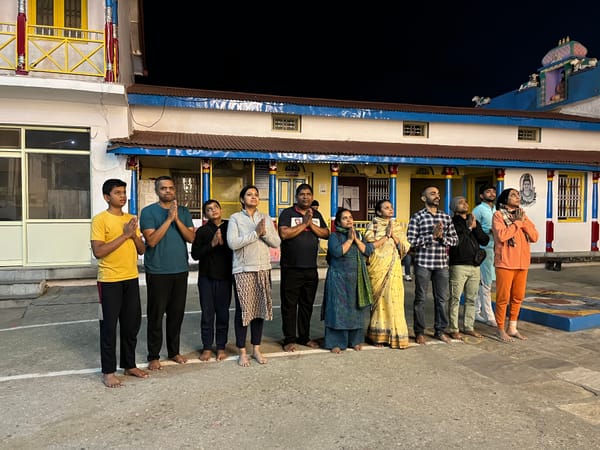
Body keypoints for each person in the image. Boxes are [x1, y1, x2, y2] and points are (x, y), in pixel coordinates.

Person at [91, 179, 148, 388]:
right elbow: (99, 252)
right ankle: (108, 371)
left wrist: (133, 235)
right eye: (117, 192)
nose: (122, 196)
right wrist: (125, 235)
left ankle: (129, 364)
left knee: (131, 325)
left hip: (130, 278)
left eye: (124, 192)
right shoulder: (100, 220)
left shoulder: (131, 219)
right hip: (108, 281)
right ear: (107, 197)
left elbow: (142, 250)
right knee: (108, 327)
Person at [140, 175, 195, 370]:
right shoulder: (148, 212)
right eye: (163, 188)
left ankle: (174, 351)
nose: (168, 191)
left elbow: (191, 237)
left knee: (176, 314)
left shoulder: (183, 211)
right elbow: (152, 241)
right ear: (157, 191)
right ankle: (153, 355)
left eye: (171, 188)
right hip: (158, 271)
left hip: (180, 270)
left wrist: (177, 219)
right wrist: (168, 219)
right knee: (156, 315)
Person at [227, 185, 281, 366]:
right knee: (244, 312)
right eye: (249, 194)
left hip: (263, 269)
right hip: (243, 270)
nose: (253, 197)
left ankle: (256, 349)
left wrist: (264, 234)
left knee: (259, 311)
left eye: (256, 195)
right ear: (242, 199)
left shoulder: (265, 217)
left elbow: (276, 242)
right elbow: (233, 243)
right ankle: (242, 351)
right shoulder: (235, 218)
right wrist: (255, 233)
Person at [278, 183, 330, 352]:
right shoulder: (287, 213)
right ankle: (289, 339)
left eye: (308, 194)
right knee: (290, 305)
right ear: (296, 196)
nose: (306, 197)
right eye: (302, 194)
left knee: (307, 305)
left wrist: (311, 224)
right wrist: (304, 224)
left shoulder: (316, 214)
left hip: (310, 268)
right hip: (291, 268)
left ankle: (304, 337)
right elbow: (284, 234)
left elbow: (326, 233)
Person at [407, 185, 458, 344]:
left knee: (441, 299)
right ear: (424, 198)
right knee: (420, 299)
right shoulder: (418, 217)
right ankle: (419, 331)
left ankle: (440, 330)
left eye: (438, 193)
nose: (437, 196)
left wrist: (442, 238)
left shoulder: (446, 217)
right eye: (432, 193)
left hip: (441, 264)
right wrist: (432, 236)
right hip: (423, 263)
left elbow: (455, 240)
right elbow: (411, 241)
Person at [321, 208, 374, 353]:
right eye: (345, 218)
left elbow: (368, 250)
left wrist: (356, 239)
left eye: (350, 217)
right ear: (338, 222)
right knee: (338, 310)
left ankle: (354, 340)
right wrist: (350, 240)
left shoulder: (359, 235)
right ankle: (335, 343)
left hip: (356, 278)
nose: (349, 220)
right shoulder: (334, 236)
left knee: (355, 310)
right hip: (338, 278)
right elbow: (337, 252)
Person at [492, 188, 539, 342]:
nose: (517, 197)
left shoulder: (523, 216)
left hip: (522, 263)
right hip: (505, 263)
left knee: (518, 297)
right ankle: (500, 328)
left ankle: (512, 327)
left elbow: (534, 237)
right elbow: (502, 236)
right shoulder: (498, 215)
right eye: (513, 195)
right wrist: (517, 223)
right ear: (505, 199)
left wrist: (523, 223)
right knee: (503, 298)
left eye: (518, 195)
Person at [364, 199, 411, 349]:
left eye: (391, 207)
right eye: (386, 208)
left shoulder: (396, 226)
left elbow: (405, 247)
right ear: (378, 212)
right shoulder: (374, 226)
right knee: (380, 301)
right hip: (378, 268)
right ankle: (378, 336)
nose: (390, 210)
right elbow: (368, 245)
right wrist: (385, 236)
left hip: (394, 268)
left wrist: (393, 236)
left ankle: (396, 335)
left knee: (395, 299)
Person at [190, 199, 233, 362]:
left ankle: (221, 347)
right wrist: (213, 244)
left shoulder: (230, 227)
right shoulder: (202, 231)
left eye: (215, 207)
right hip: (206, 278)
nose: (213, 210)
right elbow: (195, 254)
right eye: (209, 209)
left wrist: (224, 244)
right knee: (207, 314)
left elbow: (236, 249)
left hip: (225, 278)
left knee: (223, 314)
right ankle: (207, 347)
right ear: (205, 214)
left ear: (221, 210)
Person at [447, 196, 489, 340]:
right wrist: (469, 228)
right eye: (460, 202)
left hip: (475, 266)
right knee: (455, 298)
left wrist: (475, 228)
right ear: (454, 207)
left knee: (472, 298)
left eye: (466, 201)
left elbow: (485, 240)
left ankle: (469, 327)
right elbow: (456, 242)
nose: (465, 204)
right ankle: (453, 328)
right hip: (458, 265)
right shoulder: (452, 222)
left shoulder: (472, 220)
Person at [472, 184, 498, 327]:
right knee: (486, 283)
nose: (491, 194)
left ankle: (477, 311)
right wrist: (491, 230)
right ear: (481, 195)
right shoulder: (479, 210)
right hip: (483, 249)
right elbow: (474, 228)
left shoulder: (495, 210)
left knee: (483, 283)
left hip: (495, 249)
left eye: (493, 191)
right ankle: (489, 315)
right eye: (488, 191)